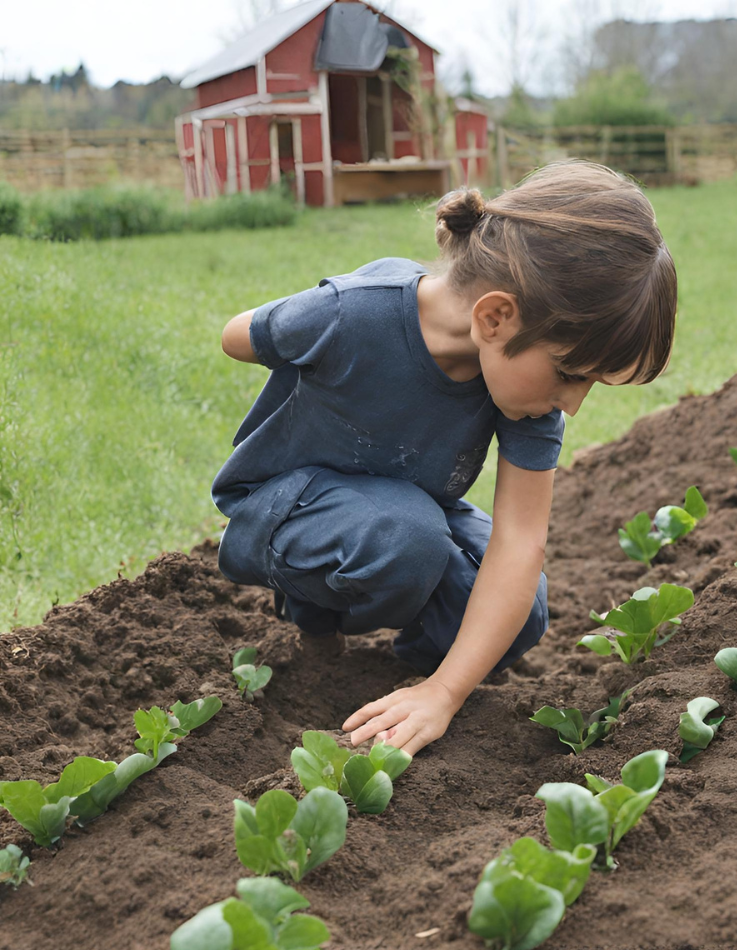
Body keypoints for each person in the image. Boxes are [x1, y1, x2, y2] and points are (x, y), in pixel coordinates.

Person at [212, 158, 677, 756]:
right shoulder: (355, 314)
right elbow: (237, 335)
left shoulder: (528, 398)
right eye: (570, 374)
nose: (573, 403)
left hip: (401, 517)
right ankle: (310, 614)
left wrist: (445, 692)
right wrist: (312, 342)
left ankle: (403, 675)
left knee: (521, 609)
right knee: (409, 539)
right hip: (281, 512)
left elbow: (520, 543)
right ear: (495, 317)